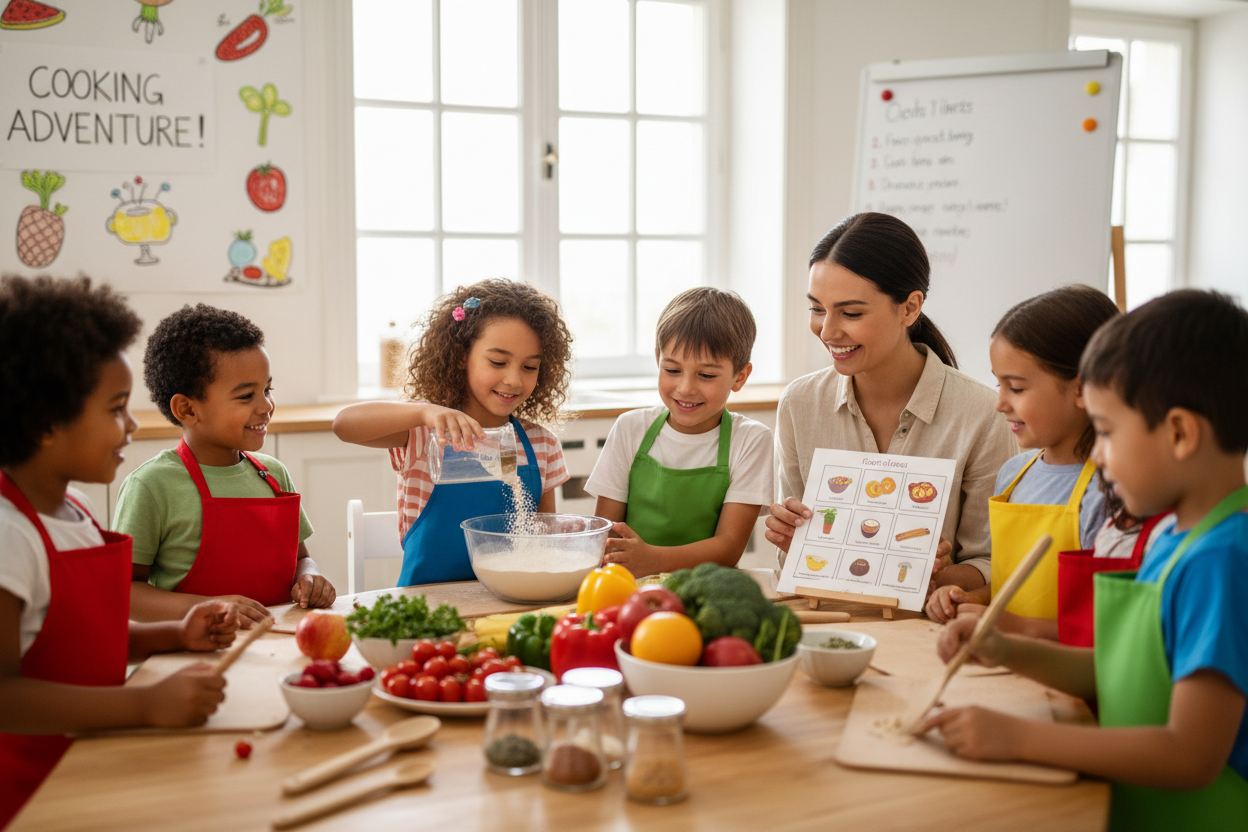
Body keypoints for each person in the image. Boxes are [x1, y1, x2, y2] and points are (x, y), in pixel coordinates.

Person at [923, 290, 1248, 829]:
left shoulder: (1222, 560)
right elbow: (1118, 671)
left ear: (1179, 433)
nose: (1096, 453)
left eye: (1109, 432)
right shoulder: (1175, 536)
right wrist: (1006, 648)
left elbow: (1189, 755)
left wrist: (1020, 738)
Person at [0, 276, 233, 826]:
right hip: (33, 794)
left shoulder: (75, 510)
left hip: (94, 759)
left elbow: (80, 638)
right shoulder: (9, 535)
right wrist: (145, 703)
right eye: (115, 409)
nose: (131, 426)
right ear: (47, 424)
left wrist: (173, 634)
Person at [765, 213, 1015, 595]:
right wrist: (793, 541)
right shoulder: (800, 404)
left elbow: (990, 564)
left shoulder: (981, 413)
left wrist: (936, 574)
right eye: (817, 309)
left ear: (910, 308)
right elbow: (799, 563)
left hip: (926, 625)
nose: (827, 331)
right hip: (827, 617)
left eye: (851, 313)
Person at [333, 279, 572, 585]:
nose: (514, 379)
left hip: (509, 601)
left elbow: (543, 541)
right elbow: (344, 425)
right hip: (426, 602)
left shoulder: (541, 445)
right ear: (461, 356)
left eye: (529, 367)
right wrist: (424, 411)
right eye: (498, 362)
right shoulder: (423, 433)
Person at [114, 304, 335, 627]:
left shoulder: (273, 475)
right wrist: (210, 607)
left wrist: (311, 577)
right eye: (246, 396)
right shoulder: (151, 486)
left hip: (277, 641)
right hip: (195, 651)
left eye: (267, 389)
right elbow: (125, 592)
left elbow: (301, 558)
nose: (266, 406)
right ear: (187, 409)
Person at [925, 285, 1121, 640]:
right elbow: (1011, 584)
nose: (1000, 403)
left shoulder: (1110, 492)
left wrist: (1008, 626)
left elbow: (1109, 627)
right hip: (1004, 659)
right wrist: (972, 598)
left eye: (1015, 388)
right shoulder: (1014, 473)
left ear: (1082, 390)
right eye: (998, 385)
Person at [585, 287, 773, 578]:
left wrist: (653, 560)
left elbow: (729, 548)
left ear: (740, 377)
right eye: (672, 370)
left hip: (706, 588)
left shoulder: (751, 440)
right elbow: (606, 535)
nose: (685, 388)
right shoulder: (630, 428)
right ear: (658, 360)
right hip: (629, 585)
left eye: (706, 375)